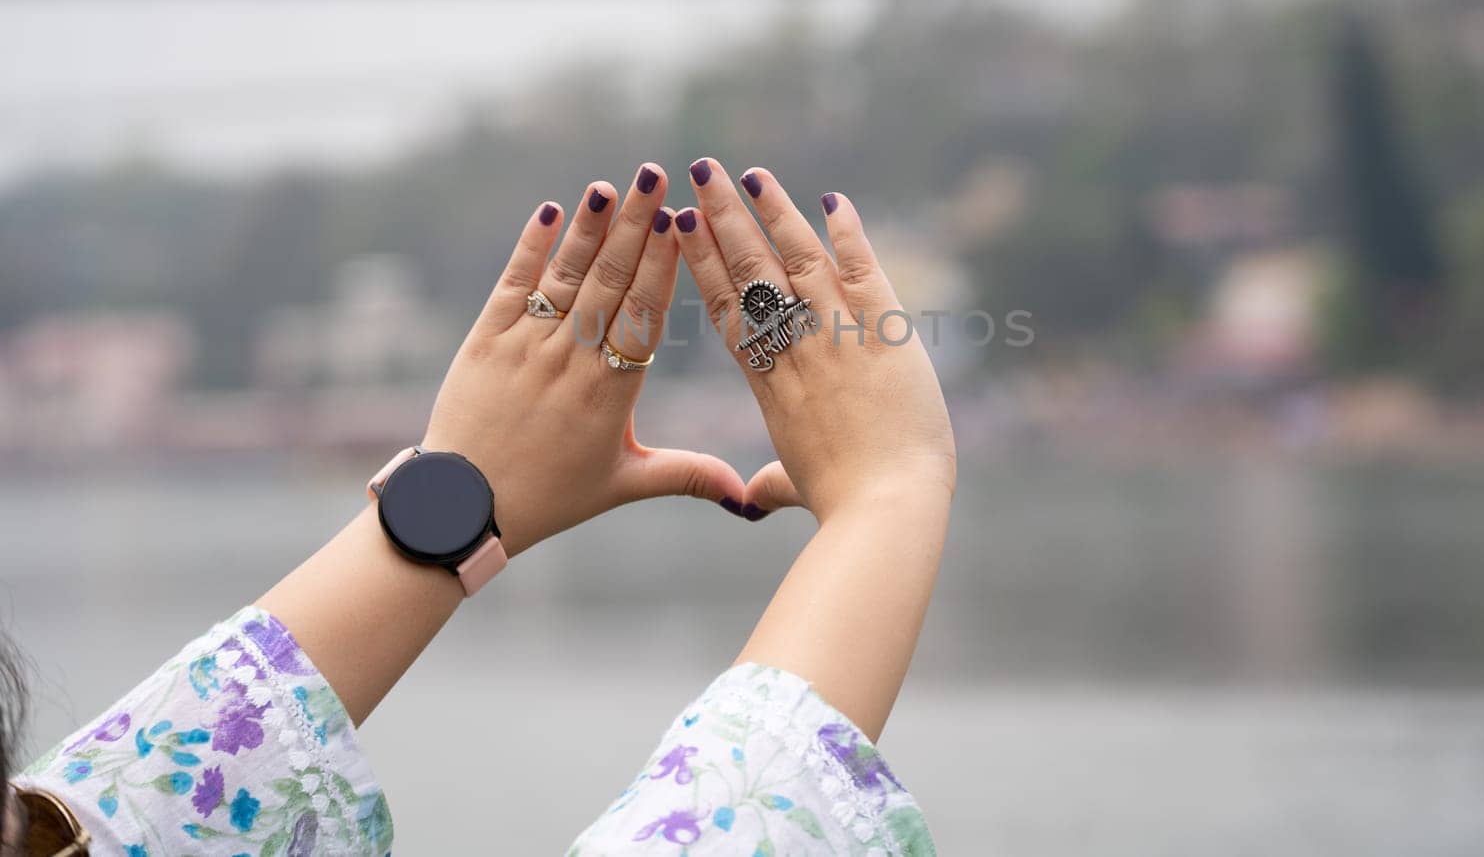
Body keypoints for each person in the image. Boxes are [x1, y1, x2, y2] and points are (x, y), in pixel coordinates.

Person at [1, 158, 956, 856]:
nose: (43, 823)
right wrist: (889, 496)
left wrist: (461, 497)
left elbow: (100, 824)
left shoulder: (53, 833)